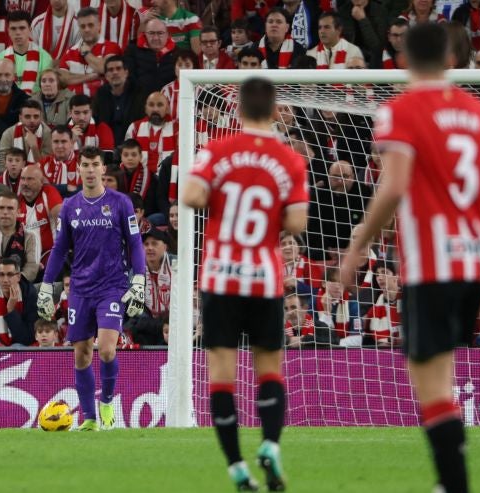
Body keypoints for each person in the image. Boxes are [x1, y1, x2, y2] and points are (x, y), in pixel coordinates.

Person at [339, 23, 480, 493]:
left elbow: (394, 186)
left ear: (404, 60)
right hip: (475, 263)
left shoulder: (402, 110)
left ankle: (454, 484)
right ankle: (449, 482)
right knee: (443, 376)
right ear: (450, 59)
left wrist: (359, 244)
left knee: (431, 381)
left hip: (432, 264)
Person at [181, 77, 309, 491]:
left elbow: (192, 196)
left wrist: (224, 193)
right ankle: (270, 443)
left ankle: (237, 467)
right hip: (264, 278)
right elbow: (296, 223)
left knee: (222, 375)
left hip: (220, 276)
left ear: (237, 111)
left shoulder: (216, 152)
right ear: (275, 111)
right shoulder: (290, 161)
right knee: (269, 370)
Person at [37, 146, 147, 431]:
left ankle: (107, 400)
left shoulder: (120, 203)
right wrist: (48, 285)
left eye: (94, 164)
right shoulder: (70, 206)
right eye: (84, 164)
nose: (88, 169)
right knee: (82, 353)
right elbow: (60, 248)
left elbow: (135, 243)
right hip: (81, 289)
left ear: (102, 169)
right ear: (79, 168)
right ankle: (89, 418)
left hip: (112, 286)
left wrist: (139, 279)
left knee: (107, 350)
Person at [56, 7, 120, 96]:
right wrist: (92, 76)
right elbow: (62, 79)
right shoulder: (70, 52)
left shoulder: (111, 47)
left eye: (90, 25)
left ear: (99, 25)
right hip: (74, 105)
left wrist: (86, 54)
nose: (86, 29)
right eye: (83, 26)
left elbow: (104, 68)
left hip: (101, 103)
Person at [0, 255, 37, 345]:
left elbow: (28, 338)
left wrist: (11, 310)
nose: (5, 280)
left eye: (10, 275)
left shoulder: (30, 295)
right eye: (1, 275)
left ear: (18, 277)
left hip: (22, 347)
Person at [0, 11, 53, 95]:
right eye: (13, 29)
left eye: (22, 28)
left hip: (35, 104)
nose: (18, 32)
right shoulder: (0, 58)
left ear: (30, 30)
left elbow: (47, 90)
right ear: (8, 31)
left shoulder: (45, 57)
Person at [0, 192, 40, 281]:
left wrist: (12, 281)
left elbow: (32, 267)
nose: (5, 212)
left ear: (18, 212)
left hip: (18, 286)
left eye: (10, 208)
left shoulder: (29, 237)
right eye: (1, 208)